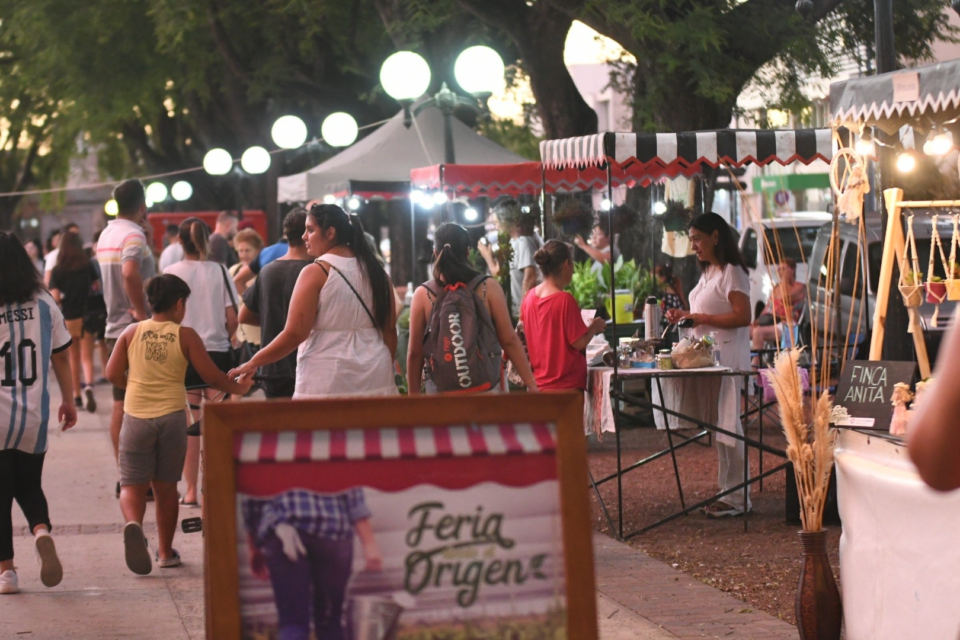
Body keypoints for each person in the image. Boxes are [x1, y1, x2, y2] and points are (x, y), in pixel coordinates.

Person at [105, 274, 252, 575]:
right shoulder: (185, 336)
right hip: (172, 418)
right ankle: (164, 552)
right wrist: (239, 388)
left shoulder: (131, 333)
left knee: (131, 483)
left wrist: (131, 383)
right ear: (179, 304)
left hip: (135, 416)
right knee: (166, 488)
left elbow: (111, 373)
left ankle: (134, 525)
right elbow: (212, 378)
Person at [229, 204, 397, 400]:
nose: (304, 236)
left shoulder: (316, 272)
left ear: (330, 233)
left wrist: (253, 362)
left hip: (327, 379)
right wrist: (385, 367)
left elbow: (294, 333)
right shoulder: (379, 273)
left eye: (310, 230)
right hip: (375, 378)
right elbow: (389, 330)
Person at [0, 232, 77, 595]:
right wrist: (69, 399)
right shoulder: (44, 301)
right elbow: (61, 355)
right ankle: (42, 531)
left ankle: (7, 573)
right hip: (34, 414)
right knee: (29, 484)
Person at [665, 212, 752, 518]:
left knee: (731, 425)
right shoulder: (708, 272)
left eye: (698, 239)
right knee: (721, 426)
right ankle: (727, 491)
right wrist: (687, 315)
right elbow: (705, 310)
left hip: (728, 360)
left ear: (716, 236)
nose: (694, 246)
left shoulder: (732, 272)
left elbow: (743, 316)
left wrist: (701, 318)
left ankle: (738, 497)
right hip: (709, 359)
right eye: (691, 240)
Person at [406, 222, 537, 395]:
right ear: (467, 252)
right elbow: (509, 340)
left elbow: (415, 353)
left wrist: (413, 397)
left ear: (435, 253)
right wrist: (531, 384)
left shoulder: (423, 294)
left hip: (440, 392)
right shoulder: (488, 287)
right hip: (486, 388)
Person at [164, 218, 240, 508]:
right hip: (217, 355)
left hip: (183, 354)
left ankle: (192, 490)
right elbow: (233, 318)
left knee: (190, 425)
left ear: (180, 242)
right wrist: (222, 336)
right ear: (206, 241)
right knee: (217, 424)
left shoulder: (171, 272)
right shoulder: (220, 270)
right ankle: (216, 486)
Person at [97, 180, 152, 498]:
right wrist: (142, 311)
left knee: (120, 404)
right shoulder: (133, 235)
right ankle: (137, 480)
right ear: (142, 204)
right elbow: (131, 273)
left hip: (112, 328)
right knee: (142, 409)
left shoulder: (107, 234)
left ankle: (125, 475)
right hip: (134, 331)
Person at [239, 209, 311, 399]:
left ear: (286, 234)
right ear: (308, 234)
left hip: (272, 366)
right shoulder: (314, 272)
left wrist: (272, 320)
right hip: (306, 363)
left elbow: (243, 315)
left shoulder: (268, 271)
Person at [520, 241, 607, 391]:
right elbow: (578, 343)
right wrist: (594, 327)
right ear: (567, 264)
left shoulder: (529, 297)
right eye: (572, 264)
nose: (573, 271)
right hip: (566, 388)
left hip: (537, 386)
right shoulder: (564, 300)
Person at [49, 231, 100, 413]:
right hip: (87, 315)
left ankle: (76, 396)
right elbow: (96, 286)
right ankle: (89, 386)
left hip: (69, 317)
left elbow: (54, 296)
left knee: (73, 358)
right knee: (87, 357)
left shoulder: (58, 270)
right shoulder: (88, 265)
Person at [478, 200, 543, 318]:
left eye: (497, 222)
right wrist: (488, 256)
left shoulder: (524, 241)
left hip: (528, 312)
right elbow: (498, 272)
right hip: (516, 310)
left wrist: (523, 314)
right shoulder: (512, 242)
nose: (496, 227)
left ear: (506, 220)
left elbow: (530, 278)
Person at [750, 258, 805, 363]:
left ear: (792, 270)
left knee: (757, 332)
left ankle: (755, 365)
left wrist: (784, 281)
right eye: (779, 269)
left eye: (784, 268)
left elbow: (785, 297)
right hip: (771, 321)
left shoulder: (799, 287)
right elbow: (768, 307)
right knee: (743, 330)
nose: (780, 271)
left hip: (787, 323)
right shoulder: (776, 288)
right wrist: (757, 321)